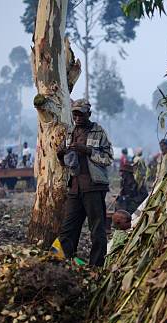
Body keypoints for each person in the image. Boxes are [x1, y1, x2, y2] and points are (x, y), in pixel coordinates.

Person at [57, 98, 113, 266]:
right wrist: (60, 154)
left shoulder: (98, 132)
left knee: (97, 229)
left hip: (93, 186)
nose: (78, 117)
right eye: (75, 114)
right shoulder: (70, 132)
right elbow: (65, 162)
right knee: (68, 229)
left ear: (88, 114)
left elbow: (108, 158)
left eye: (81, 114)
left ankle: (96, 266)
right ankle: (67, 262)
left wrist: (87, 151)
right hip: (75, 187)